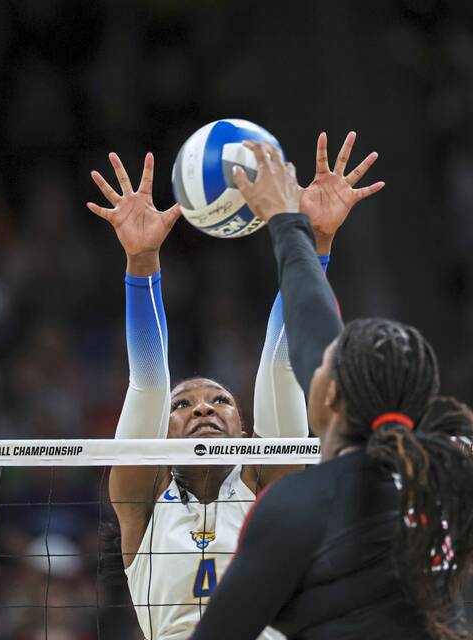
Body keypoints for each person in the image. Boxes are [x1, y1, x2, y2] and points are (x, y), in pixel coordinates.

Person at [86, 132, 382, 640]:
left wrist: (315, 240)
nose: (203, 409)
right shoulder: (141, 501)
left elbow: (279, 366)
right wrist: (141, 263)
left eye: (220, 400)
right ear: (160, 437)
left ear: (248, 437)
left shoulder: (270, 485)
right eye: (185, 405)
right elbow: (149, 384)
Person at [190, 137, 473, 640]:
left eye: (323, 370)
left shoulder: (299, 504)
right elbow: (314, 337)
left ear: (332, 396)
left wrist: (285, 219)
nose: (312, 367)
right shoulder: (451, 477)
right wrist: (306, 238)